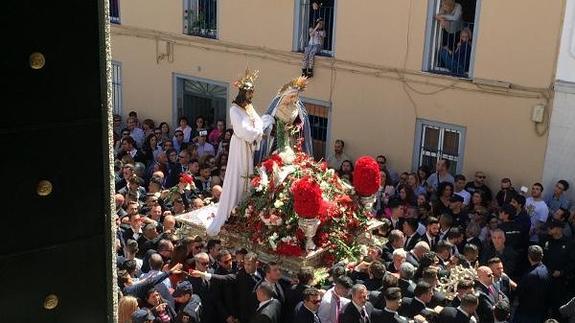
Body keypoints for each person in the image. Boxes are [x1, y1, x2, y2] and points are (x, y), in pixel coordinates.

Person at [207, 69, 264, 236]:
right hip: (239, 146)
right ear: (242, 92)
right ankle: (231, 209)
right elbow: (244, 131)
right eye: (248, 93)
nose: (250, 96)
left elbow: (258, 122)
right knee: (238, 175)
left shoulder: (249, 108)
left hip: (248, 147)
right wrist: (258, 132)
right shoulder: (234, 110)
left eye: (252, 93)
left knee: (247, 175)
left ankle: (243, 207)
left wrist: (257, 129)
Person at [256, 75, 313, 164]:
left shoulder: (297, 107)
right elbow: (266, 122)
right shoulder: (276, 107)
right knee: (275, 160)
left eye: (295, 96)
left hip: (291, 140)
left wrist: (296, 128)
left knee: (291, 160)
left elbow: (302, 124)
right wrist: (275, 127)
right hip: (276, 141)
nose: (293, 99)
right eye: (291, 96)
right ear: (285, 95)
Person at [514, 245, 550, 323]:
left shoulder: (530, 275)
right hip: (541, 311)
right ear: (542, 255)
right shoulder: (546, 269)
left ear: (529, 257)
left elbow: (519, 291)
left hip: (527, 314)